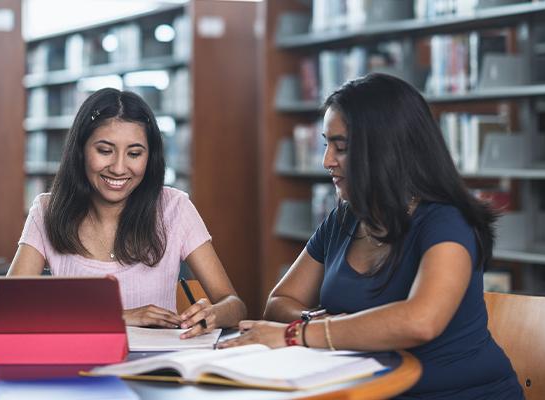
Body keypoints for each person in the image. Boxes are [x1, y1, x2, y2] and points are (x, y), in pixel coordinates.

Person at [218, 73, 523, 399]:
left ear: (387, 149)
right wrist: (315, 321)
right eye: (326, 144)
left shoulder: (448, 220)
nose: (327, 161)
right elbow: (279, 303)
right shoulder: (344, 219)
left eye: (342, 147)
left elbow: (421, 321)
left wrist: (300, 334)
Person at [6, 88, 246, 339]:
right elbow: (9, 310)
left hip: (156, 369)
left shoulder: (175, 207)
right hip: (77, 367)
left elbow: (234, 304)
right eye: (105, 150)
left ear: (149, 157)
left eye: (134, 154)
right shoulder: (46, 211)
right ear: (80, 150)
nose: (119, 168)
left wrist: (214, 314)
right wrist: (119, 316)